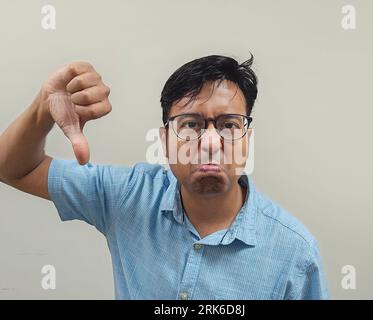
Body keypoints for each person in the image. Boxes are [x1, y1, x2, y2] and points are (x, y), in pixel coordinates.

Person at [0, 55, 329, 299]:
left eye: (229, 125)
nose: (211, 142)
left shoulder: (294, 252)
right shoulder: (129, 196)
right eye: (190, 124)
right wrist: (42, 110)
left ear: (247, 140)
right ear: (164, 141)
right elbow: (13, 167)